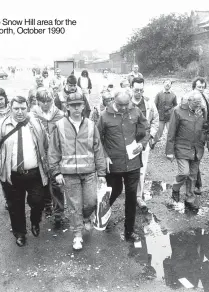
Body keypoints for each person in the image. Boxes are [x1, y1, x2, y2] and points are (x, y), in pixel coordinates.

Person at [0, 96, 49, 247]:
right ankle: (19, 233)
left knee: (38, 201)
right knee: (15, 206)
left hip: (35, 173)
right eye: (16, 109)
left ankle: (35, 220)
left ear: (27, 108)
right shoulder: (1, 125)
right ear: (10, 108)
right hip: (11, 175)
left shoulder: (36, 123)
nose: (20, 112)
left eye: (23, 108)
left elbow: (46, 144)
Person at [48, 92, 106, 250]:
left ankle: (87, 217)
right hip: (68, 174)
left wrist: (101, 173)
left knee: (91, 201)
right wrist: (56, 172)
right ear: (67, 107)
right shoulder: (59, 125)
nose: (76, 108)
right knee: (75, 206)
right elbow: (53, 151)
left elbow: (98, 150)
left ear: (83, 106)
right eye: (73, 105)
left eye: (79, 105)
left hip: (88, 172)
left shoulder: (91, 125)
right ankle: (77, 235)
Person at [97, 90, 150, 242]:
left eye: (127, 105)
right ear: (114, 101)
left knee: (131, 196)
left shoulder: (136, 111)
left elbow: (146, 129)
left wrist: (142, 144)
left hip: (133, 163)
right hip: (114, 163)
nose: (125, 108)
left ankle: (129, 231)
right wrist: (105, 156)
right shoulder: (104, 116)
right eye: (121, 105)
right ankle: (102, 214)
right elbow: (97, 139)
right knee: (114, 190)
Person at [166, 91, 204, 212]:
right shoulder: (178, 111)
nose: (198, 106)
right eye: (196, 103)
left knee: (193, 176)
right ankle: (175, 188)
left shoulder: (202, 110)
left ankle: (189, 199)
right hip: (182, 147)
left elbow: (205, 126)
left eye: (200, 103)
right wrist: (169, 151)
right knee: (184, 172)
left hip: (197, 148)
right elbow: (171, 131)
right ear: (189, 101)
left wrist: (204, 141)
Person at [30, 89, 65, 220]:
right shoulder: (32, 116)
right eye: (43, 101)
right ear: (37, 101)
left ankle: (59, 212)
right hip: (40, 153)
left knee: (57, 183)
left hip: (56, 154)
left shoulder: (60, 115)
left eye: (48, 101)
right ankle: (47, 205)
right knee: (42, 181)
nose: (46, 104)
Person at [130, 77, 159, 209]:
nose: (139, 93)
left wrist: (151, 135)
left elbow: (155, 120)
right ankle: (128, 193)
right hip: (127, 143)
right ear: (131, 88)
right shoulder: (126, 102)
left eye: (141, 90)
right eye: (136, 90)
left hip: (144, 142)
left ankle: (138, 196)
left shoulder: (149, 103)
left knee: (141, 170)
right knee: (127, 169)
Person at [192, 77, 209, 195]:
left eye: (203, 87)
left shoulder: (206, 97)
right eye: (199, 87)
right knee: (194, 158)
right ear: (194, 86)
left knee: (197, 157)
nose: (201, 89)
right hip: (191, 132)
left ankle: (196, 182)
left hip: (202, 131)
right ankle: (196, 183)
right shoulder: (189, 97)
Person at [153, 79, 177, 149]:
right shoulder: (159, 94)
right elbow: (155, 105)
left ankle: (170, 148)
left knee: (170, 133)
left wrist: (172, 112)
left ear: (171, 85)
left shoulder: (173, 95)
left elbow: (175, 105)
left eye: (169, 83)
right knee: (159, 133)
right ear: (163, 84)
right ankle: (152, 142)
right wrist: (156, 114)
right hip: (160, 117)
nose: (167, 84)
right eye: (166, 82)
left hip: (169, 118)